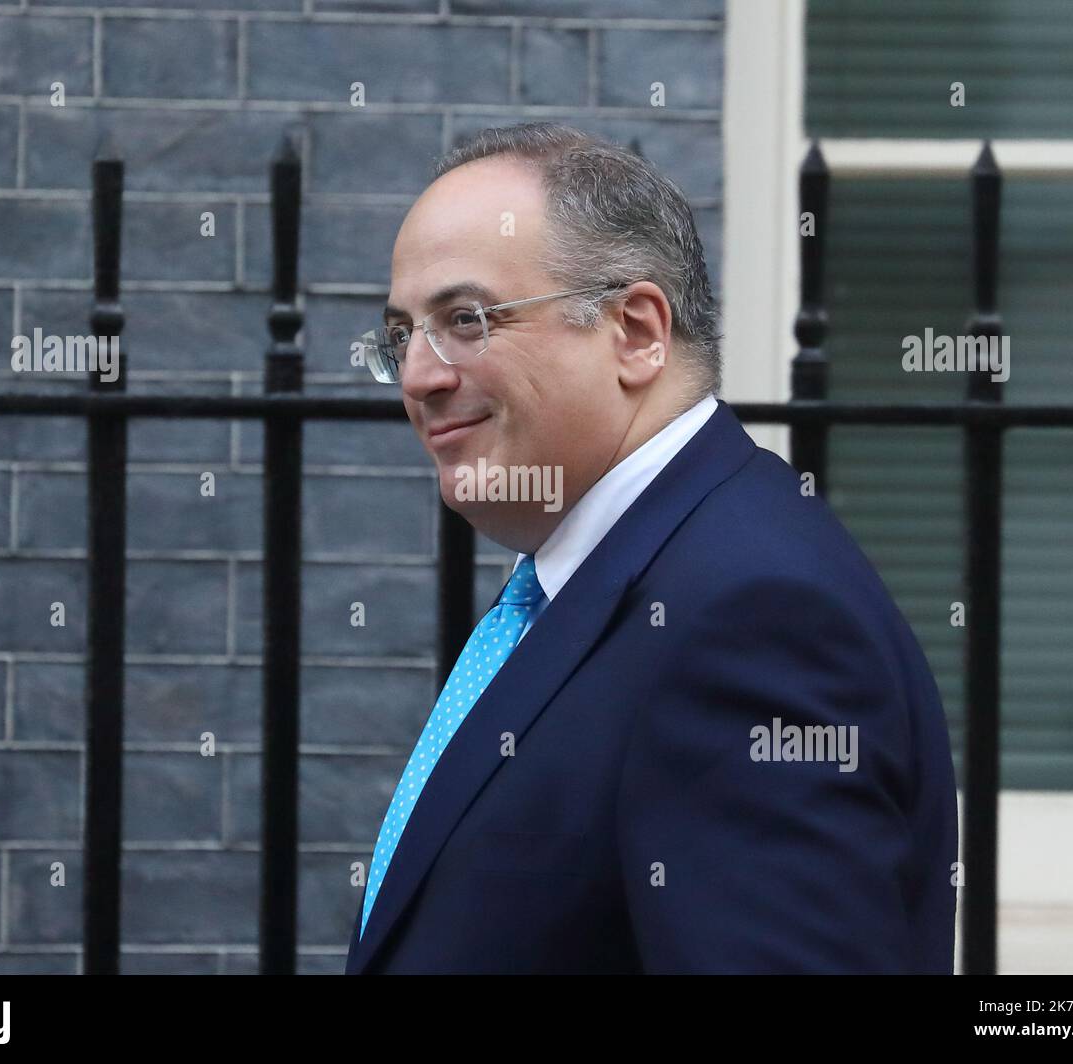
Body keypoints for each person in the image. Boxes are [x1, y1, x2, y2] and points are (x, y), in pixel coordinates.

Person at [345, 122, 958, 974]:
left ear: (636, 330)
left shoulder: (751, 618)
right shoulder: (597, 578)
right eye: (401, 335)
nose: (419, 375)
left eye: (465, 319)